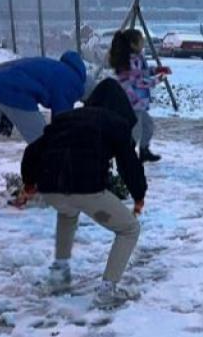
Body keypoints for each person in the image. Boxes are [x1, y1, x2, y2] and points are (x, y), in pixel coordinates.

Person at [20, 77, 148, 306]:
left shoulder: (66, 118)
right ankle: (108, 290)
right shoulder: (115, 123)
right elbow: (128, 164)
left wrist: (29, 183)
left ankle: (60, 273)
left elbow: (32, 150)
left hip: (51, 188)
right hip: (87, 190)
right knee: (129, 228)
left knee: (67, 211)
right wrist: (139, 195)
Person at [0, 51, 87, 208]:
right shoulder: (72, 80)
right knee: (45, 144)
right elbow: (62, 123)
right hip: (14, 93)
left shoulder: (51, 65)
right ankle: (49, 191)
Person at [110, 29, 168, 163]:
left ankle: (144, 151)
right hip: (132, 100)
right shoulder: (130, 60)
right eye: (141, 40)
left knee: (147, 126)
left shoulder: (136, 58)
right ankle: (127, 157)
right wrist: (157, 80)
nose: (144, 42)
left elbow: (141, 73)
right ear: (133, 44)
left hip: (138, 101)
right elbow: (138, 82)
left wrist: (156, 70)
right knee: (136, 131)